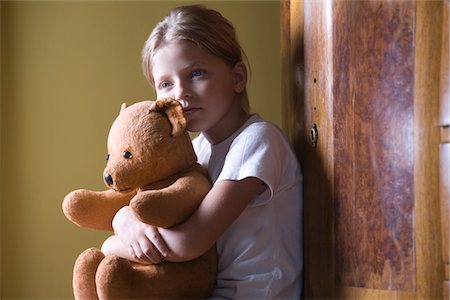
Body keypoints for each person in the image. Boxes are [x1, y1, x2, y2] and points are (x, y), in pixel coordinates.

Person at [102, 4, 303, 299]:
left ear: (237, 78)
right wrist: (123, 220)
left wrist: (114, 244)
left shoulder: (258, 140)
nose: (180, 93)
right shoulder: (196, 152)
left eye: (196, 73)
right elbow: (149, 210)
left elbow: (187, 243)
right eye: (166, 84)